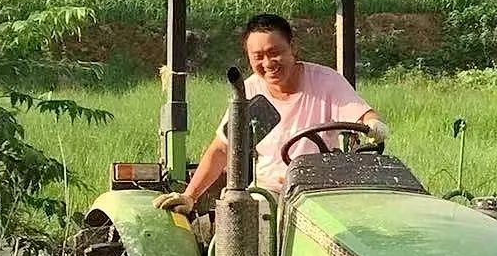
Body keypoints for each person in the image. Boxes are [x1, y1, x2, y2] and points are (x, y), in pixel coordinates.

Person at [154, 13, 386, 213]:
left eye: (275, 53)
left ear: (293, 48)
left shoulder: (326, 82)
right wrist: (189, 196)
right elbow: (223, 148)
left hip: (318, 190)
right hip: (269, 192)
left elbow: (363, 115)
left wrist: (374, 124)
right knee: (246, 217)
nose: (268, 63)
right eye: (258, 57)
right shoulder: (249, 92)